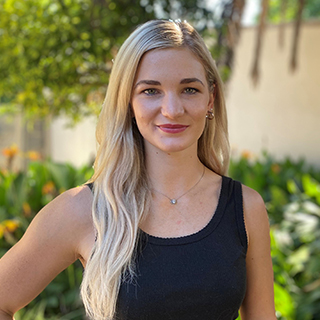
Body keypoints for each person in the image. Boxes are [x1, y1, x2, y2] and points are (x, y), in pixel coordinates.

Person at [0, 20, 276, 320]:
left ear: (210, 98)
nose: (172, 109)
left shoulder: (246, 208)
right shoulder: (84, 210)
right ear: (128, 101)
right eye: (150, 91)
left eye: (189, 89)